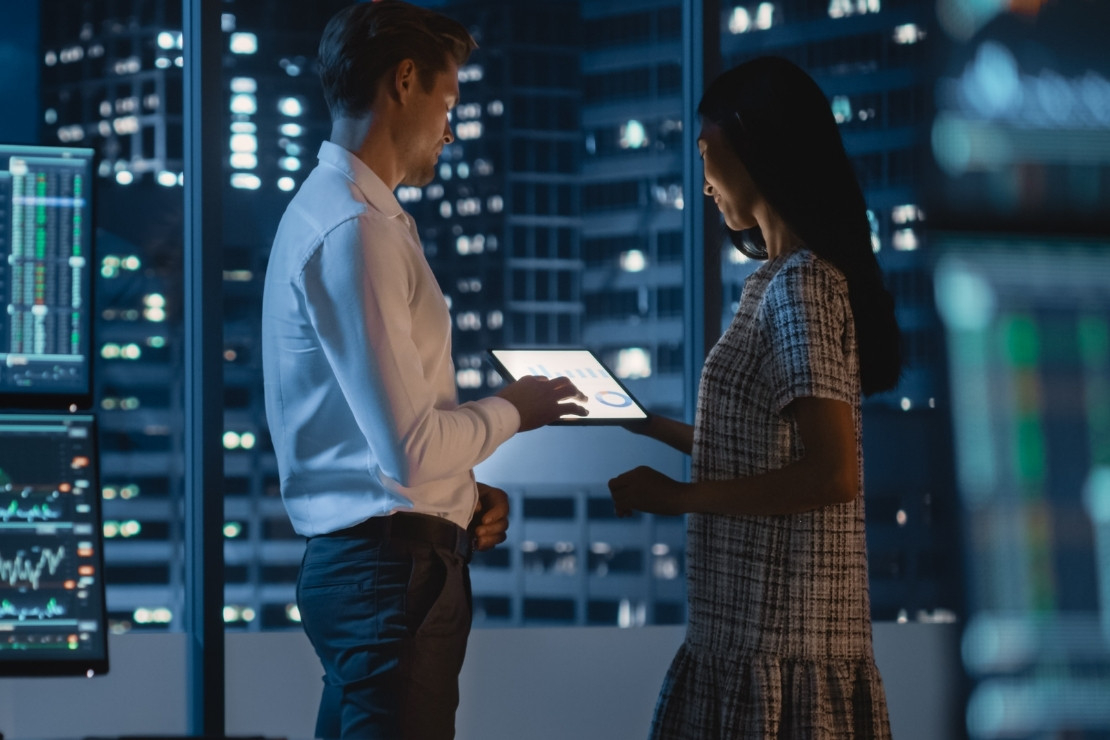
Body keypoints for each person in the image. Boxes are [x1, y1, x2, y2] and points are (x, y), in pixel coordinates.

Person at [261, 2, 587, 738]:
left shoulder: (342, 216)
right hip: (388, 577)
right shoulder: (356, 231)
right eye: (447, 103)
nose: (450, 128)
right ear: (403, 81)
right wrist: (517, 408)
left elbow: (375, 439)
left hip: (377, 569)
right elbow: (407, 453)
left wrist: (463, 495)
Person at [608, 56, 903, 739]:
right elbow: (765, 442)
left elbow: (831, 471)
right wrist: (646, 425)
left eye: (708, 153)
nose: (704, 180)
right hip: (749, 629)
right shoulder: (775, 282)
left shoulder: (801, 285)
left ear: (756, 150)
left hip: (779, 641)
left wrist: (679, 497)